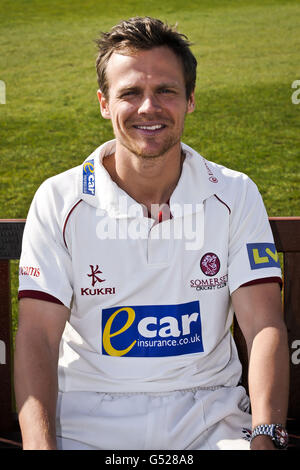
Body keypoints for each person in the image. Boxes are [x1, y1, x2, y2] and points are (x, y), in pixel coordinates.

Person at [15, 16, 289, 451]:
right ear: (104, 103)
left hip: (209, 416)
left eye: (166, 90)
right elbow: (38, 338)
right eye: (130, 93)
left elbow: (262, 325)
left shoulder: (234, 193)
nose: (149, 108)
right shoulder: (59, 198)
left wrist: (265, 434)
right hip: (86, 419)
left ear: (191, 99)